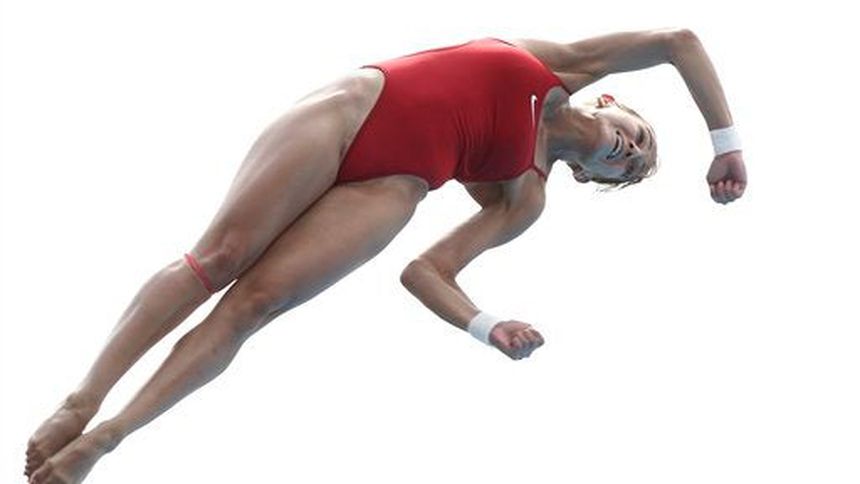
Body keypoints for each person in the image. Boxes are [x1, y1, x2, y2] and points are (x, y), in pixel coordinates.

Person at [24, 28, 746, 483]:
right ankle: (83, 401)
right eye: (642, 138)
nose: (633, 152)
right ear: (617, 104)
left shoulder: (523, 196)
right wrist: (724, 145)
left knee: (254, 304)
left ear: (590, 177)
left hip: (392, 186)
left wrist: (484, 324)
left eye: (631, 168)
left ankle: (106, 441)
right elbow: (679, 41)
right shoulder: (561, 65)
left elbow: (426, 271)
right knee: (221, 257)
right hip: (355, 108)